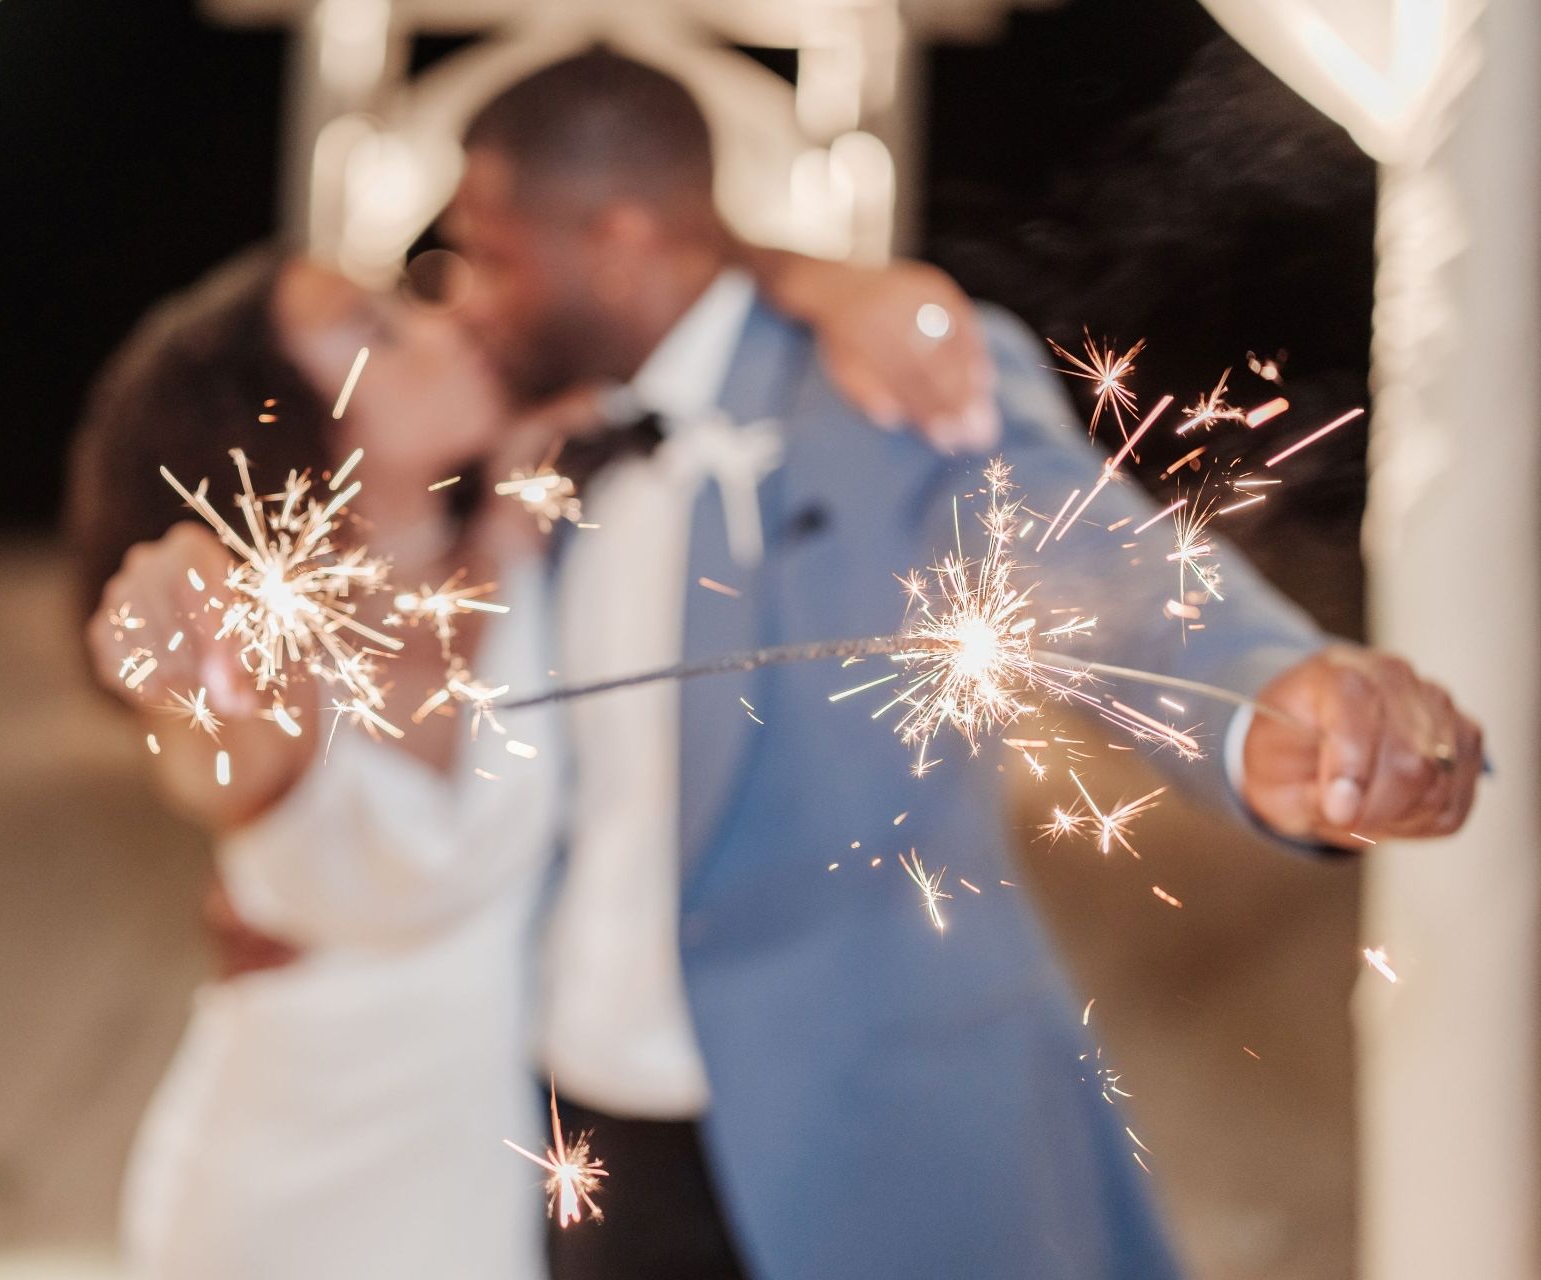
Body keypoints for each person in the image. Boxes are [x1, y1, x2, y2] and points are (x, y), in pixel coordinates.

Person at [437, 48, 1485, 1280]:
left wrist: (1268, 701)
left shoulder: (888, 376)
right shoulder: (541, 441)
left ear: (615, 237)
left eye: (491, 256)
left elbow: (1097, 571)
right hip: (591, 1145)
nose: (465, 297)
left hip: (879, 1145)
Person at [69, 239, 997, 1278]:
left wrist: (847, 286)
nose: (440, 320)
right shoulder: (268, 677)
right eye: (373, 329)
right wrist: (171, 604)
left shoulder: (523, 532)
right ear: (276, 425)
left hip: (489, 1194)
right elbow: (205, 720)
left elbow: (667, 256)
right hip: (285, 1195)